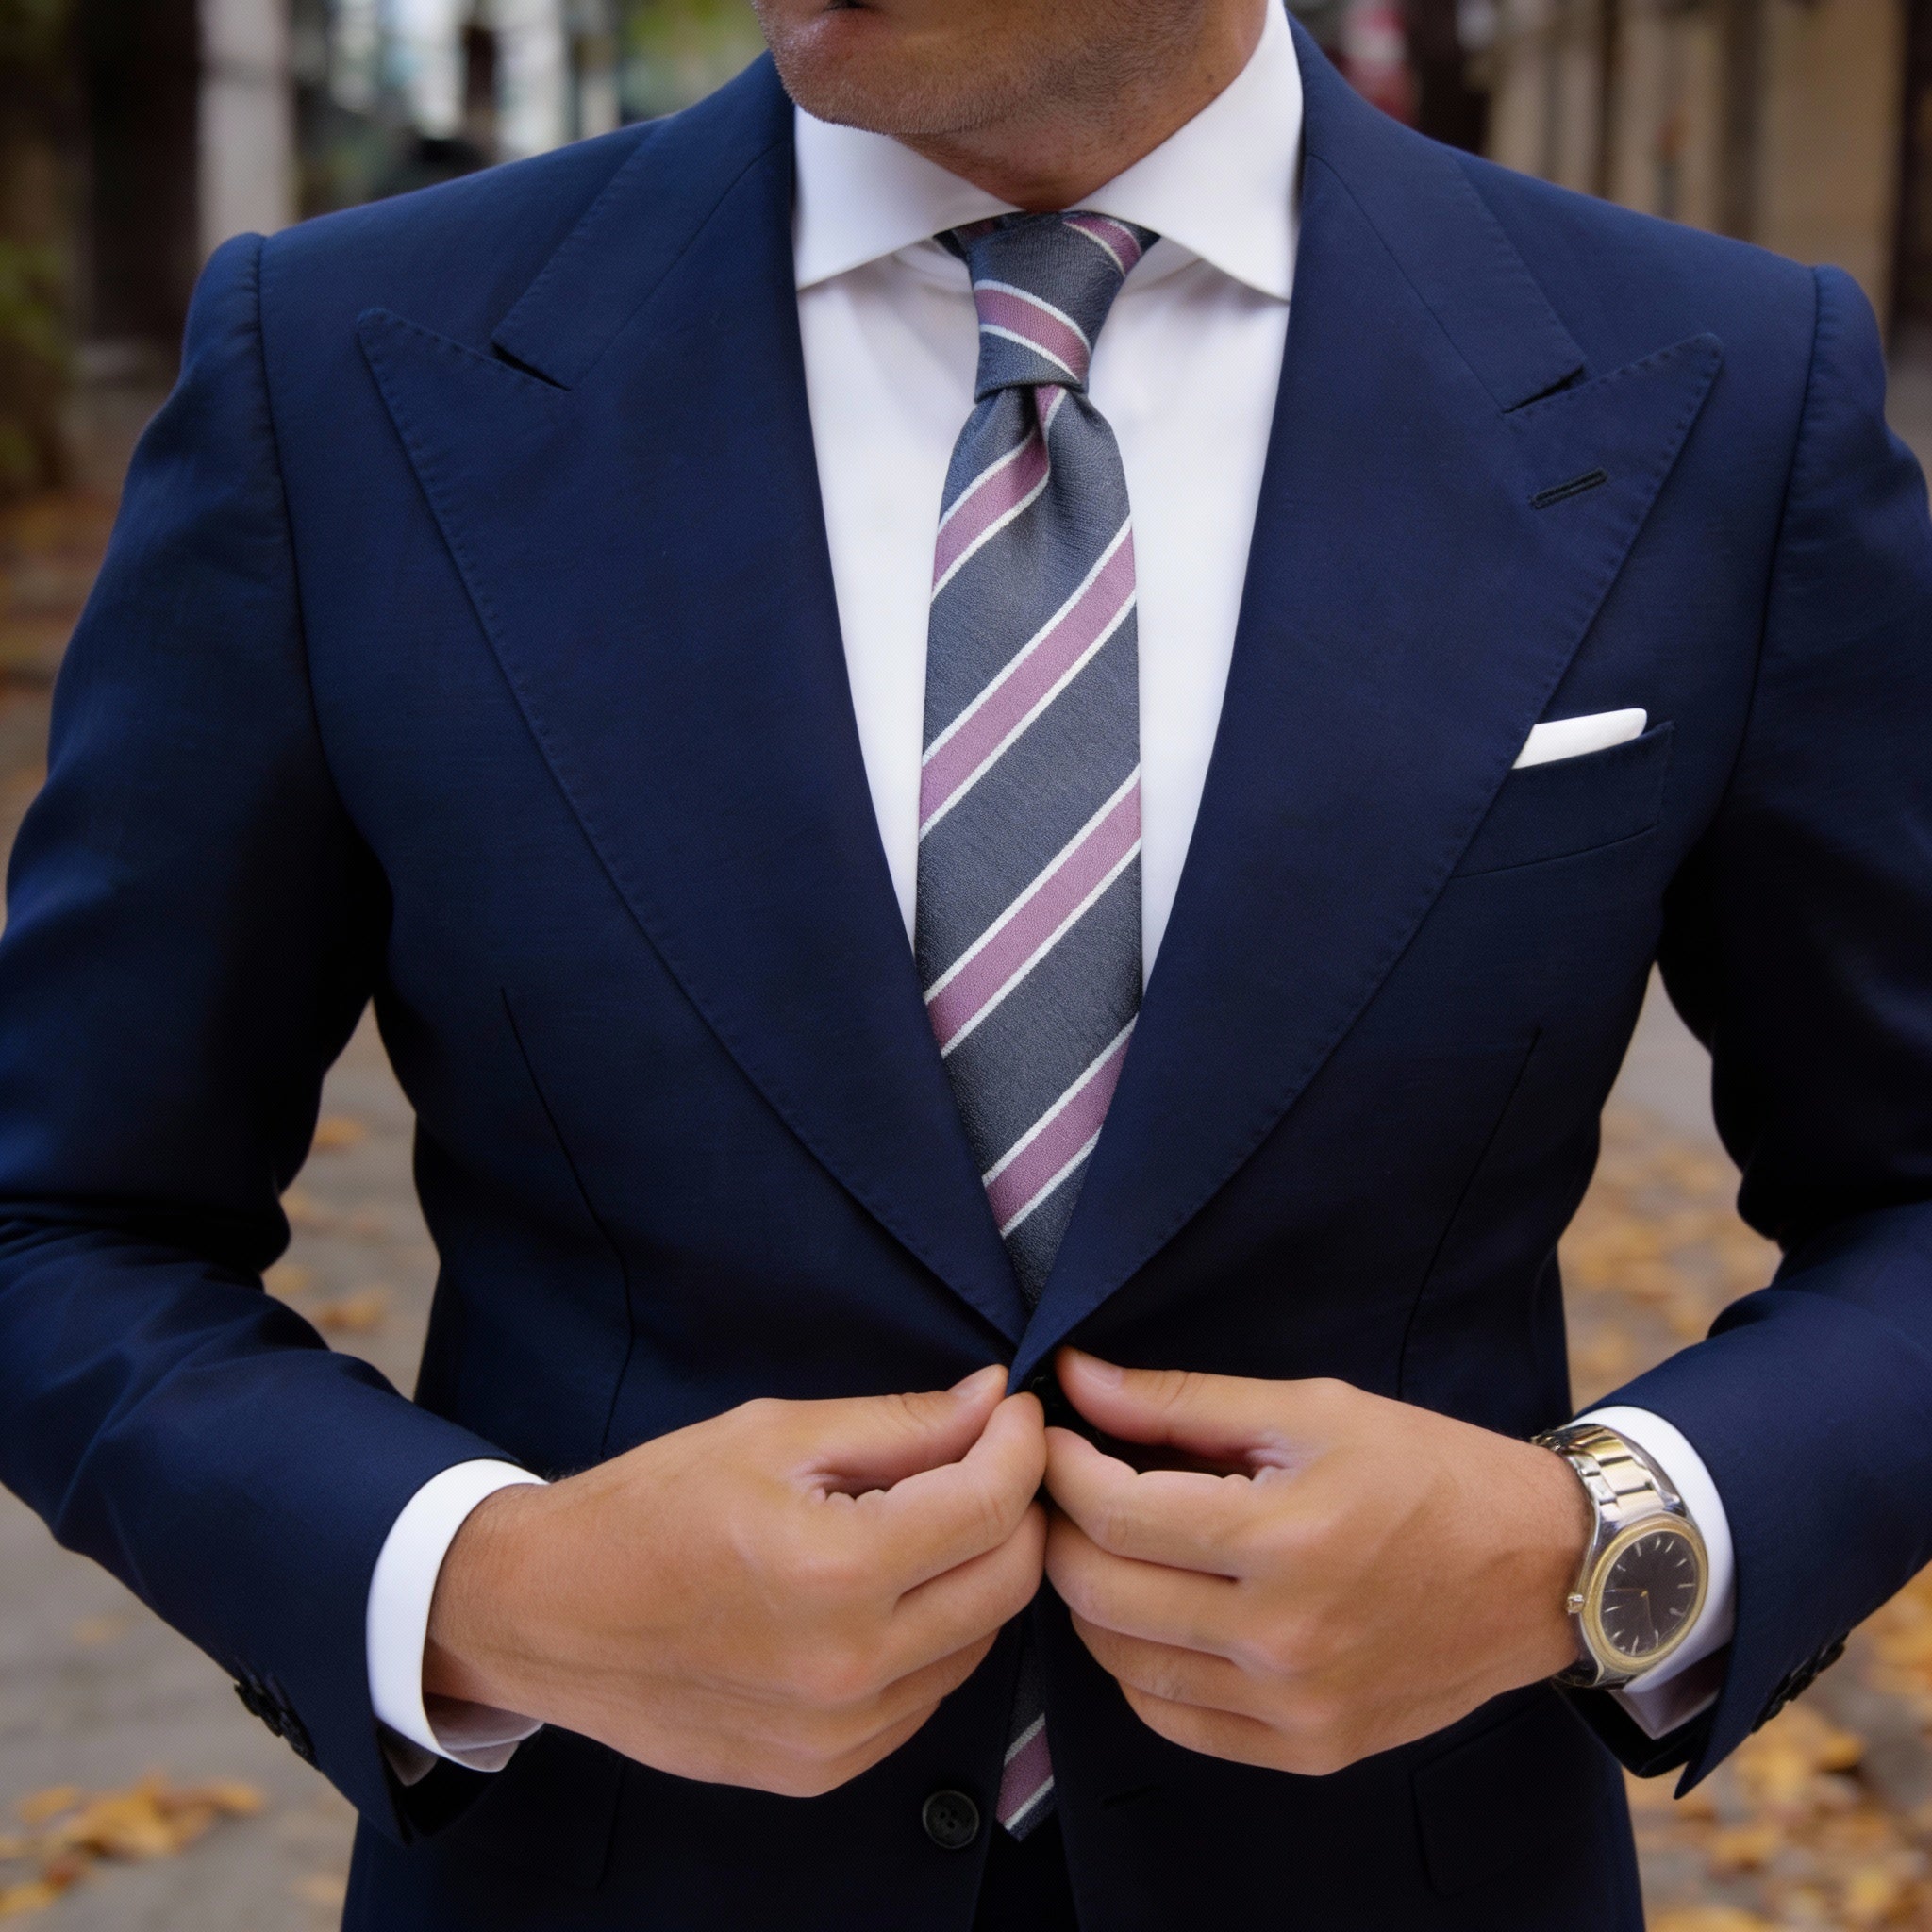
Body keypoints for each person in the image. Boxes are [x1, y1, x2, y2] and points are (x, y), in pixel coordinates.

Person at [1, 0, 1928, 1924]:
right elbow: (61, 1217)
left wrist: (1592, 1546)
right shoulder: (340, 369)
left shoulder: (1719, 390)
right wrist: (483, 1589)